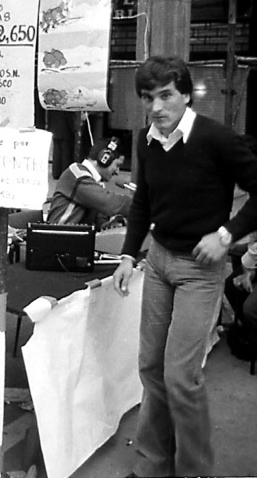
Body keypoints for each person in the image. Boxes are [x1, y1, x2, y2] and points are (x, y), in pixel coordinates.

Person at [112, 55, 257, 478]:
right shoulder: (147, 141)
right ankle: (152, 465)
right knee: (151, 368)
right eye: (147, 98)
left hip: (200, 269)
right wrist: (128, 254)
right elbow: (143, 202)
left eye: (166, 95)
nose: (156, 107)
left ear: (186, 95)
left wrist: (227, 234)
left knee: (181, 375)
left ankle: (195, 471)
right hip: (159, 262)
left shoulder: (216, 139)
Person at [47, 137, 131, 229]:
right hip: (59, 234)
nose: (117, 172)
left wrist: (110, 225)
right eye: (117, 165)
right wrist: (137, 204)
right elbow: (108, 203)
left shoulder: (96, 183)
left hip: (76, 235)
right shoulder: (77, 174)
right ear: (105, 159)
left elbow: (99, 220)